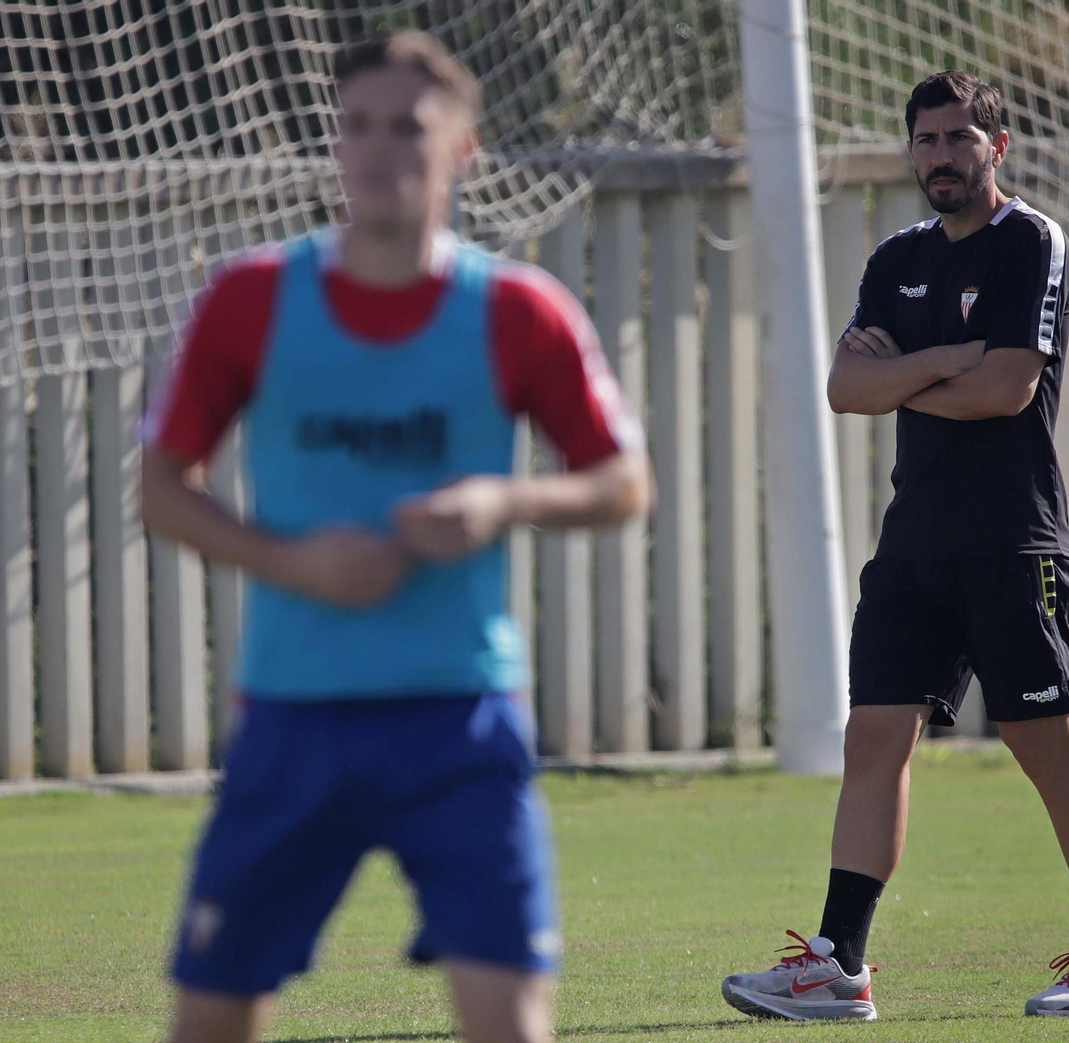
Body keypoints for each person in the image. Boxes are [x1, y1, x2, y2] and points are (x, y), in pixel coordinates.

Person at [141, 32, 652, 1043]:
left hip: (460, 718)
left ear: (462, 148)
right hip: (292, 717)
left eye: (407, 127)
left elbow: (622, 479)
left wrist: (501, 503)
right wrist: (292, 560)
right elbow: (161, 487)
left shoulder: (516, 309)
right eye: (357, 126)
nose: (377, 150)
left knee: (509, 1022)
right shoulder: (251, 297)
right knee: (210, 1016)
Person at [719, 70, 1069, 1021]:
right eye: (926, 140)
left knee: (1043, 741)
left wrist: (904, 376)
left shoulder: (1032, 243)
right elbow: (845, 387)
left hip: (1012, 540)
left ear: (996, 147)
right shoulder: (895, 258)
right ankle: (839, 966)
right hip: (912, 541)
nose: (941, 156)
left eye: (960, 138)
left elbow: (1006, 389)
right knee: (873, 739)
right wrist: (943, 362)